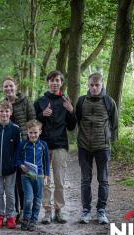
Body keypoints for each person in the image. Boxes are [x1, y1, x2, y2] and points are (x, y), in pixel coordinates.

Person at [34, 70, 77, 224]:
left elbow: (72, 127)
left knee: (59, 180)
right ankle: (47, 211)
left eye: (57, 80)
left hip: (60, 145)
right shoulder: (40, 101)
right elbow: (34, 125)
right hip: (43, 145)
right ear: (48, 82)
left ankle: (59, 211)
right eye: (51, 80)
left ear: (61, 83)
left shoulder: (65, 101)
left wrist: (71, 111)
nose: (54, 83)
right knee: (45, 179)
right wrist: (41, 116)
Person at [76, 72, 118, 225]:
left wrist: (106, 138)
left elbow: (114, 124)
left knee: (103, 180)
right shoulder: (81, 101)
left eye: (97, 85)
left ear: (102, 85)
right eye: (91, 85)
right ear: (88, 86)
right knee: (85, 180)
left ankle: (101, 211)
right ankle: (86, 211)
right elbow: (77, 120)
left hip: (102, 147)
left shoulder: (109, 102)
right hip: (84, 146)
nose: (94, 88)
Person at [2, 76, 35, 222]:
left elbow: (32, 120)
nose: (8, 89)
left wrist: (28, 141)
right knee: (12, 182)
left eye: (11, 86)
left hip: (23, 146)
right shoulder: (3, 104)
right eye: (6, 87)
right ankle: (14, 212)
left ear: (16, 86)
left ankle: (25, 210)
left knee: (24, 180)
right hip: (9, 147)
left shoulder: (25, 101)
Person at [0, 100, 21, 229]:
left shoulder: (15, 129)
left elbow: (18, 149)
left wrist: (14, 163)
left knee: (10, 192)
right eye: (1, 111)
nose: (4, 113)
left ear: (11, 113)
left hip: (11, 168)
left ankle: (11, 216)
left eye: (7, 111)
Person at [16, 119, 49, 231]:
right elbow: (18, 159)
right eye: (31, 132)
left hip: (39, 176)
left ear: (40, 132)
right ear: (27, 132)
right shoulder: (23, 145)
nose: (33, 135)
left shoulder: (43, 145)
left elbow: (46, 162)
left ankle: (34, 221)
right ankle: (26, 219)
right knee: (28, 199)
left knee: (38, 199)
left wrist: (46, 176)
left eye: (35, 132)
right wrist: (21, 166)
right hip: (26, 176)